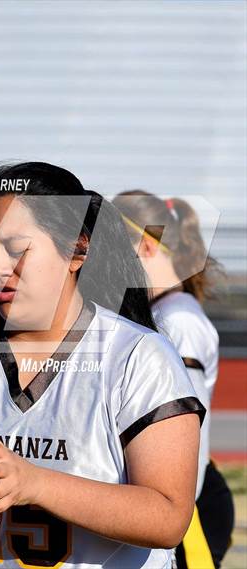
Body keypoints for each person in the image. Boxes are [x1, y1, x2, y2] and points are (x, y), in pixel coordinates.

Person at [0, 162, 206, 569]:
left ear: (77, 250)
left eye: (17, 248)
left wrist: (33, 483)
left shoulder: (139, 356)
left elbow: (169, 517)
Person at [112, 190, 234, 569]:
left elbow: (186, 439)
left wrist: (169, 512)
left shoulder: (178, 321)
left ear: (147, 245)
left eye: (113, 250)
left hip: (189, 513)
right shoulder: (161, 312)